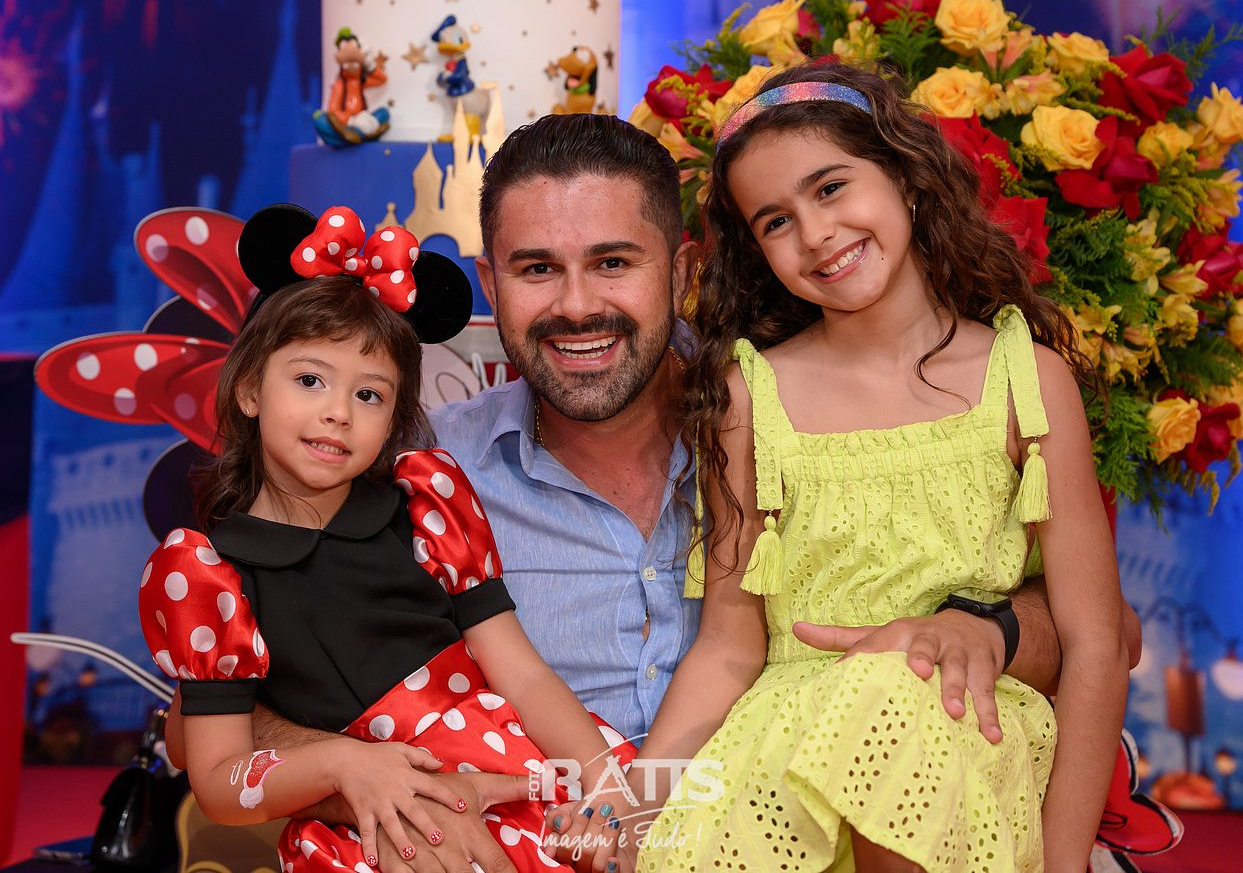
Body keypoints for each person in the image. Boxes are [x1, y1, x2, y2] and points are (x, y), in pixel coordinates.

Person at [162, 115, 1139, 873]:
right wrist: (383, 787)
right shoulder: (413, 472)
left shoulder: (790, 417)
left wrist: (984, 625)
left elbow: (1097, 633)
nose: (576, 305)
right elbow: (207, 719)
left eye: (612, 263)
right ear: (491, 284)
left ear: (680, 272)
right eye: (537, 270)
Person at [628, 64, 1130, 872]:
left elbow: (1096, 643)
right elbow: (726, 647)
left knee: (894, 692)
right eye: (776, 221)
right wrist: (637, 806)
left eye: (830, 188)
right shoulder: (748, 395)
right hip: (787, 747)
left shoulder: (1023, 380)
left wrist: (1065, 860)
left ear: (903, 176)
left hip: (963, 733)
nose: (815, 233)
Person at [138, 204, 636, 873]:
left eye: (369, 395)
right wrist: (341, 764)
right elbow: (220, 779)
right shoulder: (207, 575)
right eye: (309, 380)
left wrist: (609, 790)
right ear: (250, 389)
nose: (338, 412)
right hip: (368, 825)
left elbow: (522, 673)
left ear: (396, 416)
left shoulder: (426, 507)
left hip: (510, 765)